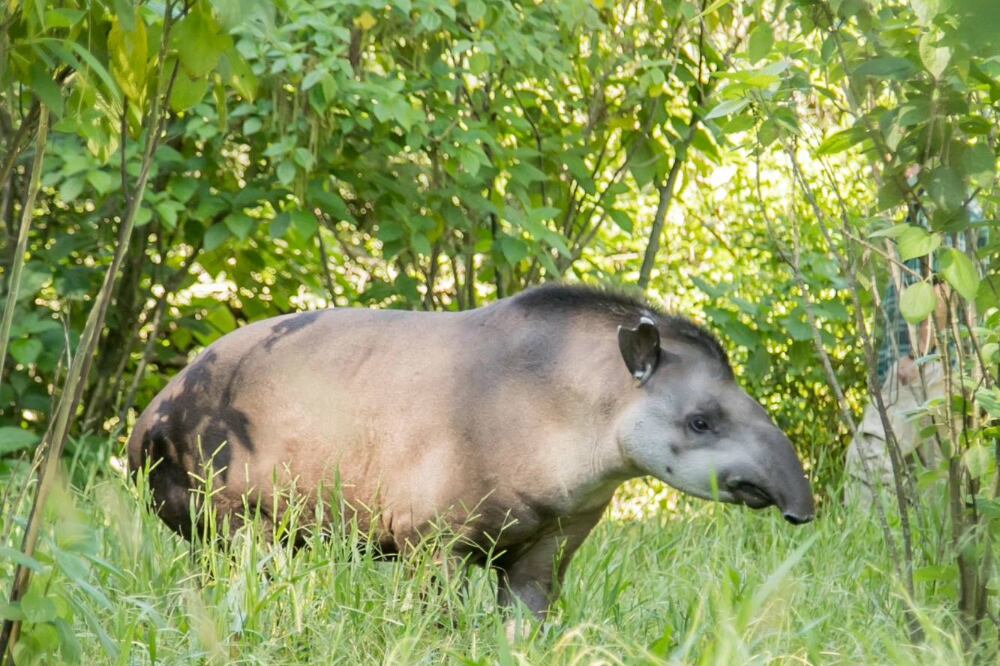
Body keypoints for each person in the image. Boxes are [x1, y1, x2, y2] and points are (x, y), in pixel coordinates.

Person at [844, 165, 980, 506]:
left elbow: (944, 278)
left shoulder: (940, 203)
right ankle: (931, 554)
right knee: (942, 484)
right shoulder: (933, 203)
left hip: (927, 364)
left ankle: (864, 544)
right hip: (934, 363)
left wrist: (920, 350)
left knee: (869, 456)